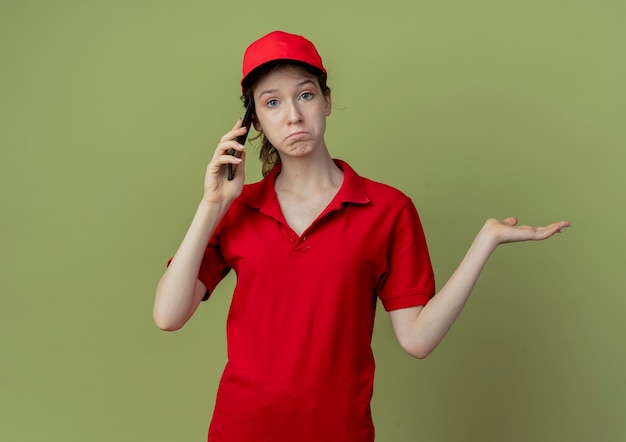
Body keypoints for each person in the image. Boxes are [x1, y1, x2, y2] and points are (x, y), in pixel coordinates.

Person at [153, 30, 570, 442]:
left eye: (306, 94)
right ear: (254, 120)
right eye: (272, 102)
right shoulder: (238, 209)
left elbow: (418, 339)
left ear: (327, 101)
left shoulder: (388, 210)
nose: (293, 115)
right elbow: (169, 316)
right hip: (240, 432)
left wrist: (486, 241)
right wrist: (212, 205)